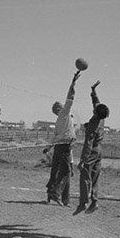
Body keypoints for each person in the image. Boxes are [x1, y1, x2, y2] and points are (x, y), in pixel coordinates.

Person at [46, 69, 80, 207]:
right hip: (65, 146)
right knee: (66, 171)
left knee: (61, 172)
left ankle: (62, 198)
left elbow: (54, 138)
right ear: (60, 108)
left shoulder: (60, 120)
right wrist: (73, 82)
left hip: (60, 147)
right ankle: (55, 193)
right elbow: (70, 96)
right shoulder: (65, 113)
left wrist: (48, 147)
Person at [74, 81, 109, 215]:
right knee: (95, 177)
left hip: (92, 150)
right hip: (99, 150)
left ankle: (83, 203)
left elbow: (88, 145)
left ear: (95, 112)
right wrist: (93, 90)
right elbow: (96, 102)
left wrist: (83, 161)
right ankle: (95, 201)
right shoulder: (101, 118)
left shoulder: (93, 125)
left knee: (84, 175)